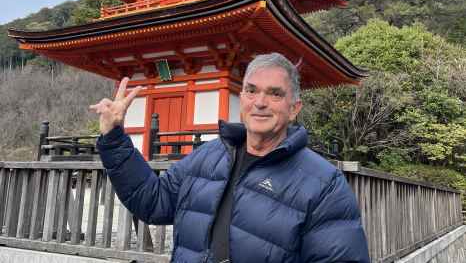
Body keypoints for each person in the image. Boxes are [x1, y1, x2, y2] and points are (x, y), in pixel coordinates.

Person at [90, 52, 370, 263]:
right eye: (251, 90)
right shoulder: (209, 156)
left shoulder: (323, 184)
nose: (259, 102)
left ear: (294, 107)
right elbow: (153, 201)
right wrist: (114, 137)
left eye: (274, 94)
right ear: (242, 97)